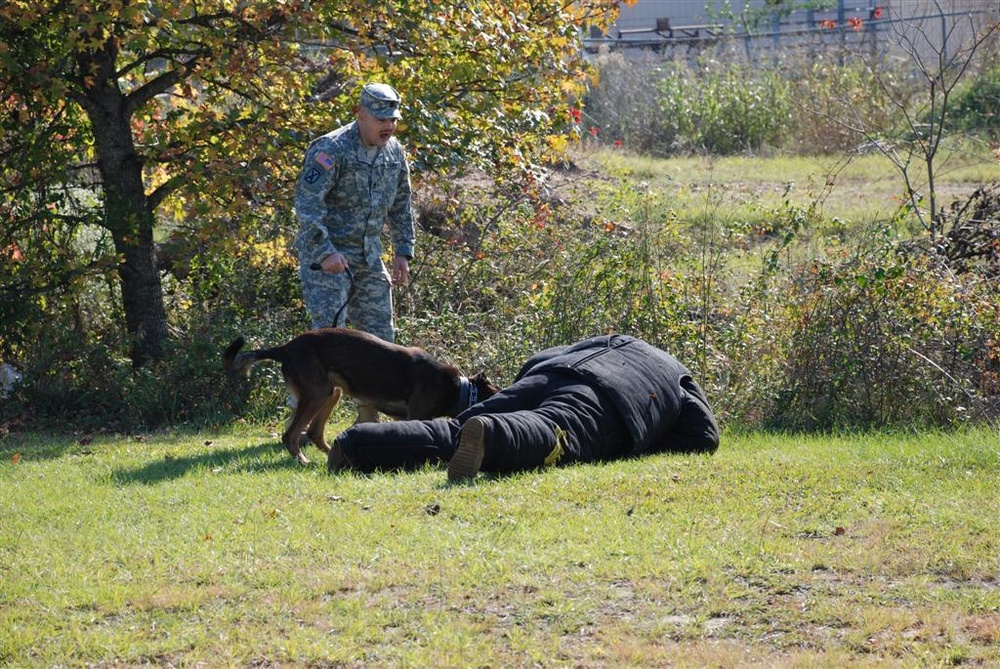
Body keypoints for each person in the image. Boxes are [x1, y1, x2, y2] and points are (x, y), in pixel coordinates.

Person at [328, 334, 720, 480]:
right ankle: (494, 436)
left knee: (453, 427)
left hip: (547, 373)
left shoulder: (606, 340)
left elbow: (537, 358)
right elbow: (702, 435)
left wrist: (524, 384)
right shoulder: (674, 374)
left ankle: (358, 442)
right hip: (608, 402)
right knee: (548, 429)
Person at [294, 82, 416, 422]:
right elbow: (307, 206)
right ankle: (306, 422)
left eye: (392, 119)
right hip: (328, 262)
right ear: (360, 115)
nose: (388, 126)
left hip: (368, 257)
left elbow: (403, 204)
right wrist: (326, 251)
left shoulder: (394, 152)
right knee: (327, 348)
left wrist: (403, 252)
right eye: (380, 118)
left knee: (382, 344)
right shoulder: (330, 149)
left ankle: (370, 419)